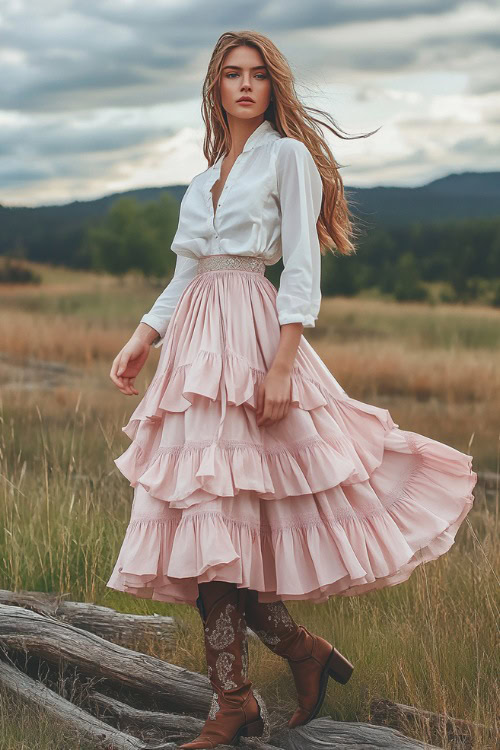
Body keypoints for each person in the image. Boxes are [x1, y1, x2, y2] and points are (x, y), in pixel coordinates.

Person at [107, 31, 477, 750]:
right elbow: (186, 276)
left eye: (258, 76)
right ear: (216, 88)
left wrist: (280, 366)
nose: (245, 87)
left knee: (224, 532)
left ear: (273, 86)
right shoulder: (204, 176)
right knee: (208, 529)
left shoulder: (288, 156)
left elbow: (301, 268)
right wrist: (141, 338)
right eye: (232, 76)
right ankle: (274, 672)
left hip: (253, 341)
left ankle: (242, 697)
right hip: (194, 360)